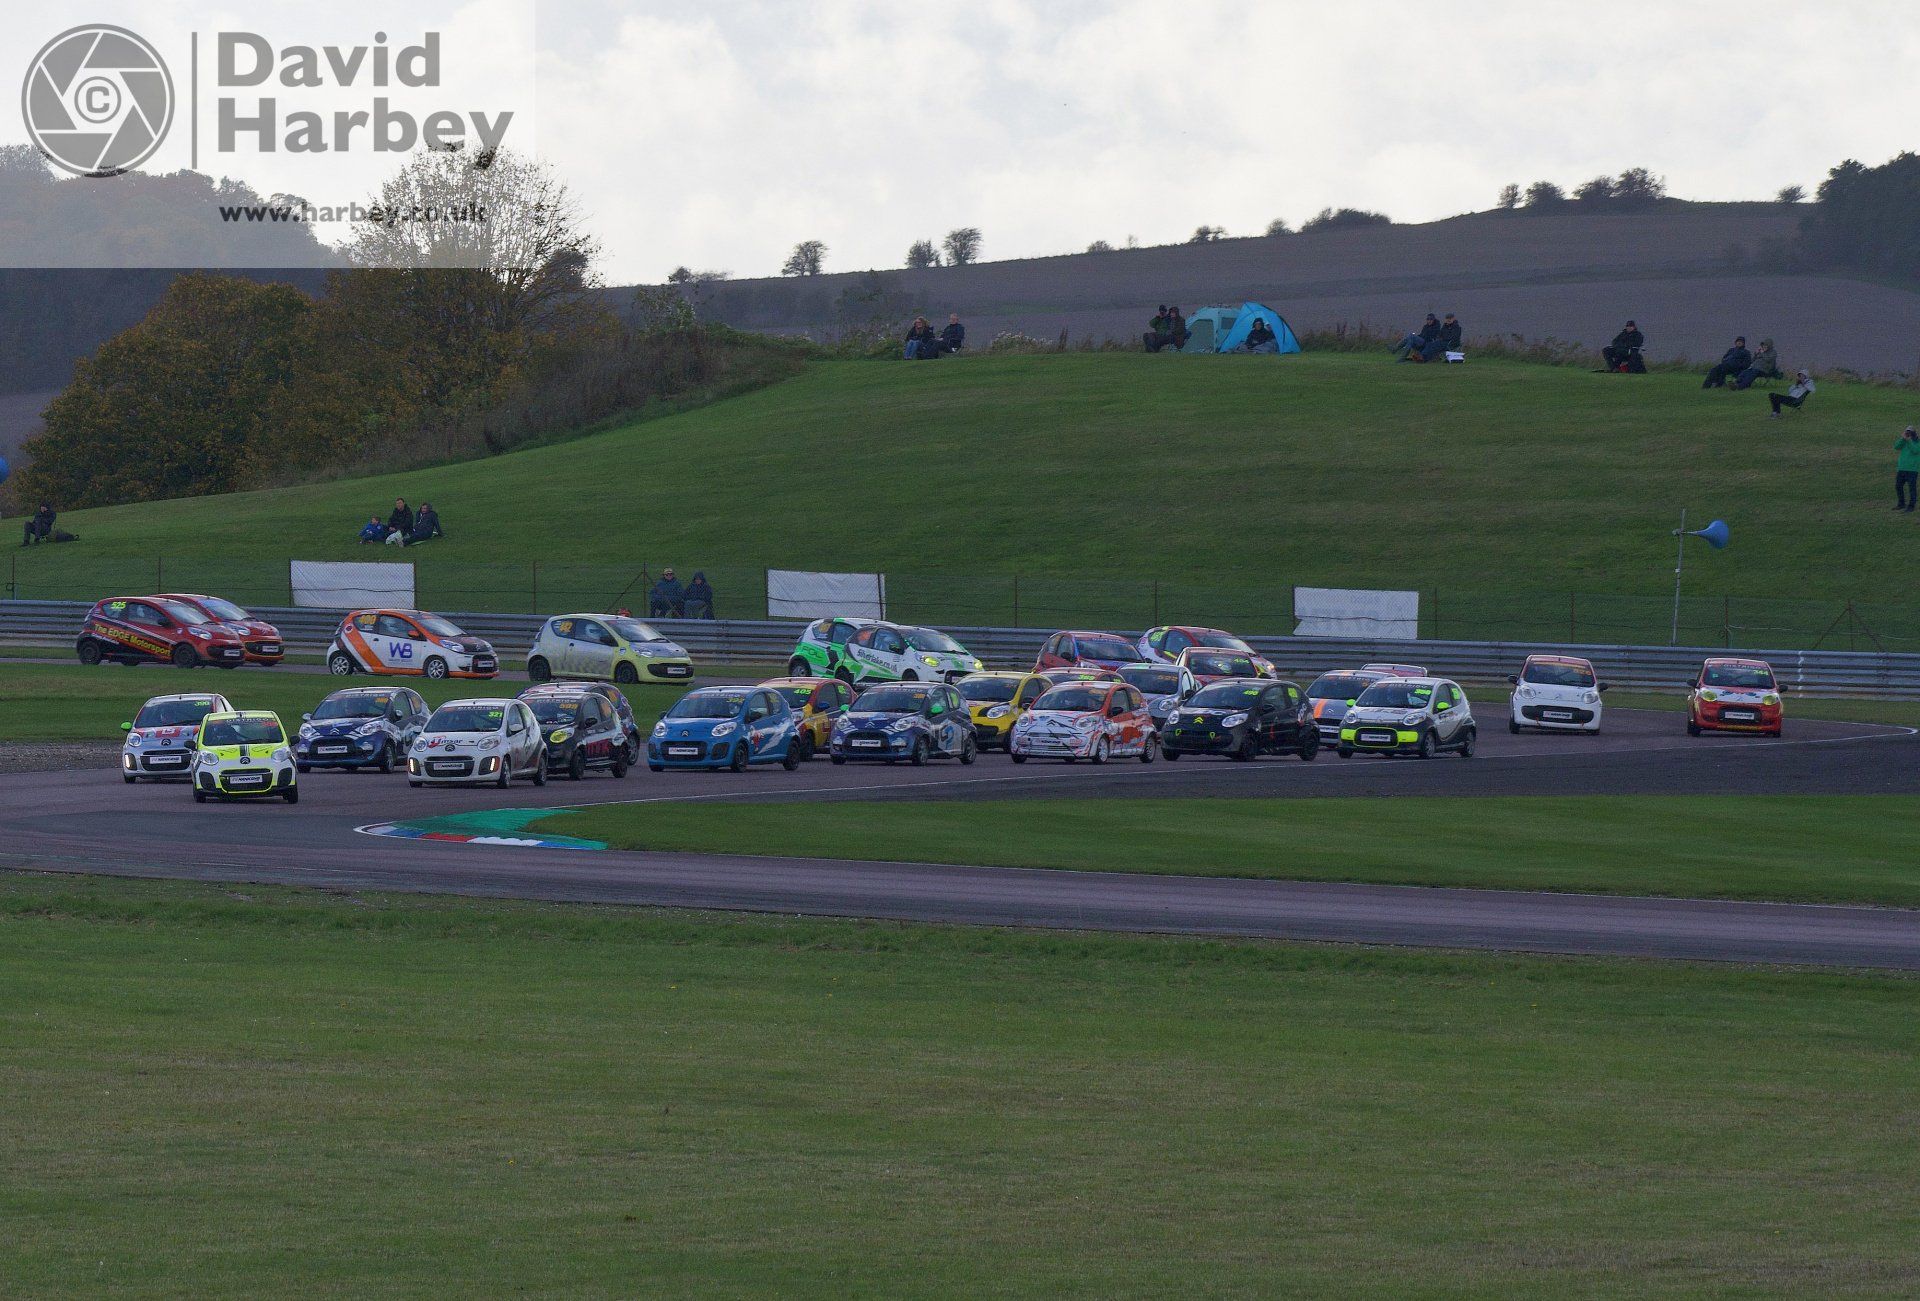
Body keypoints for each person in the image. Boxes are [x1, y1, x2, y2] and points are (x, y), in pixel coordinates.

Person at [1896, 428, 1920, 512]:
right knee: (1898, 486)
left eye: (1910, 432)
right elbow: (1896, 446)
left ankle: (1911, 506)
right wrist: (1902, 439)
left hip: (1912, 469)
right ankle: (1901, 504)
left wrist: (1908, 441)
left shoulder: (1918, 442)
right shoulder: (1904, 441)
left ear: (1914, 433)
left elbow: (1915, 450)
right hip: (1901, 468)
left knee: (1912, 488)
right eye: (1907, 432)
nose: (1908, 433)